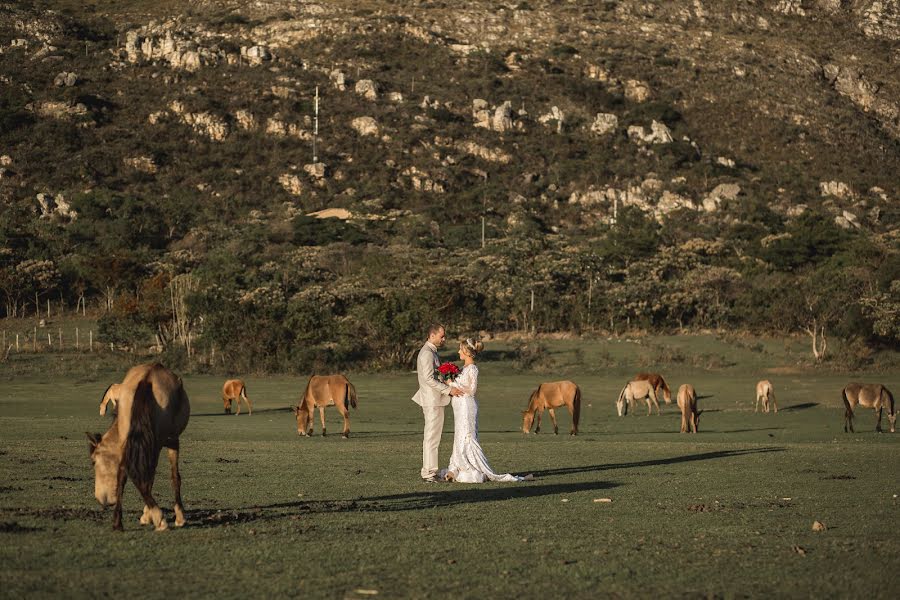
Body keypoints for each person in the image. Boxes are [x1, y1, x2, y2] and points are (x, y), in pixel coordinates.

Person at [440, 338, 532, 483]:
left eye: (460, 349)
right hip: (458, 407)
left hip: (466, 407)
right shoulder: (463, 369)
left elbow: (472, 390)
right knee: (459, 436)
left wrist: (452, 383)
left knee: (467, 436)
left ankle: (471, 468)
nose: (458, 351)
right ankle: (456, 467)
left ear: (466, 352)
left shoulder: (472, 369)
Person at [412, 324, 463, 482]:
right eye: (441, 336)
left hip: (434, 399)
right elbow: (428, 379)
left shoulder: (431, 351)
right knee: (432, 437)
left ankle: (430, 471)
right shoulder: (426, 353)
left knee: (433, 437)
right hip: (432, 400)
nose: (444, 339)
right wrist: (448, 390)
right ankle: (428, 473)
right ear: (432, 335)